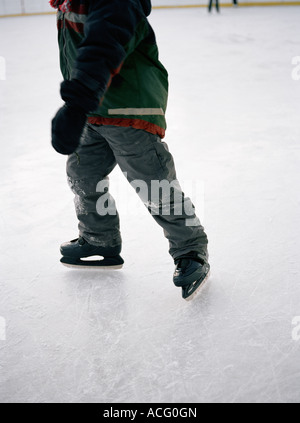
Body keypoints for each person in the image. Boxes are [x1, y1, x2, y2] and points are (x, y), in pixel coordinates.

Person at [50, 0, 210, 301]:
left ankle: (191, 250)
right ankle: (99, 239)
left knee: (154, 184)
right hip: (93, 109)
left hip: (130, 106)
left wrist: (76, 103)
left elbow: (102, 45)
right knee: (82, 174)